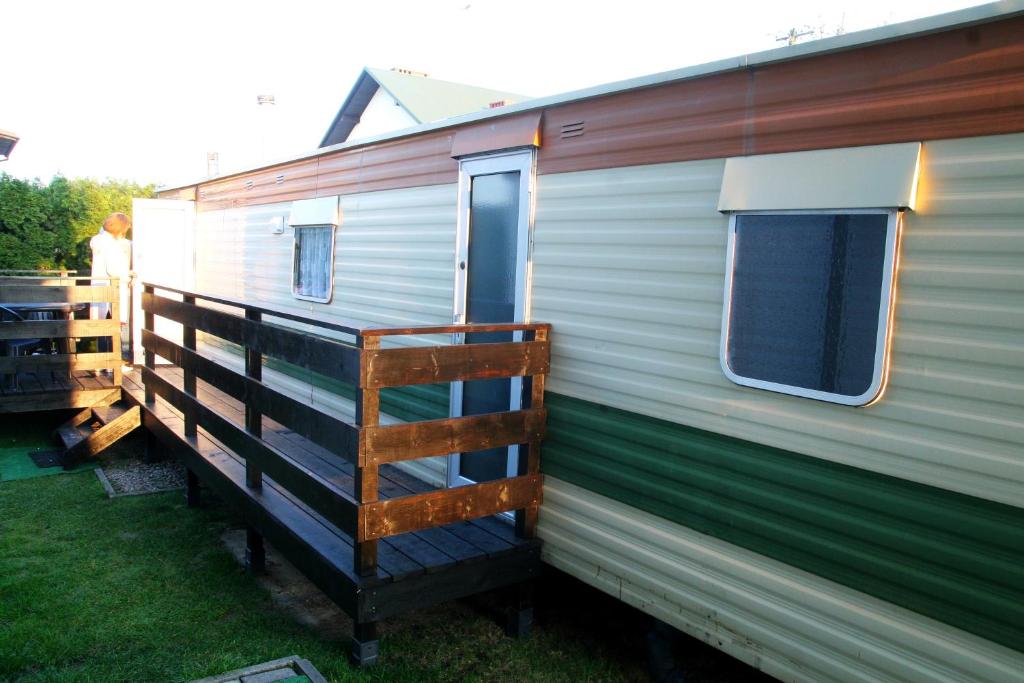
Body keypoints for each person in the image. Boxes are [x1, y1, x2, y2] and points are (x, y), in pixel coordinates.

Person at [90, 213, 134, 371]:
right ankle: (115, 365)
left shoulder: (98, 240)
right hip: (112, 289)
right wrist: (129, 275)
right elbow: (114, 270)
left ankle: (102, 364)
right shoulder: (112, 244)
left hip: (101, 288)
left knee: (104, 326)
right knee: (115, 326)